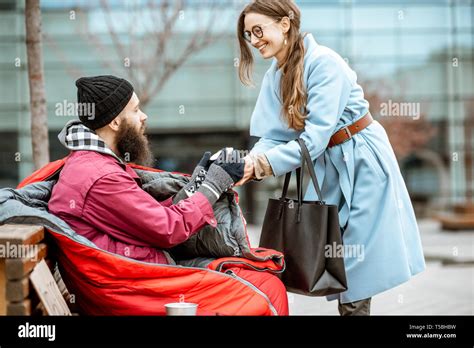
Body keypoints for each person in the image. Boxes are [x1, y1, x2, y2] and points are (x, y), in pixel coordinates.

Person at [234, 0, 425, 315]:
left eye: (258, 31)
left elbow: (314, 138)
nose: (254, 41)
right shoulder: (276, 75)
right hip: (328, 163)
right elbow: (274, 136)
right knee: (330, 254)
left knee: (356, 262)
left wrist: (263, 165)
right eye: (248, 35)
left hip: (363, 159)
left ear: (285, 23)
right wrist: (248, 162)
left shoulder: (324, 63)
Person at [48, 75, 289, 315]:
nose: (144, 117)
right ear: (115, 122)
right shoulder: (100, 176)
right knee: (266, 288)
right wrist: (214, 185)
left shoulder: (92, 164)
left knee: (260, 272)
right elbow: (168, 228)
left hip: (138, 275)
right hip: (136, 287)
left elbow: (148, 217)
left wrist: (197, 183)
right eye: (135, 110)